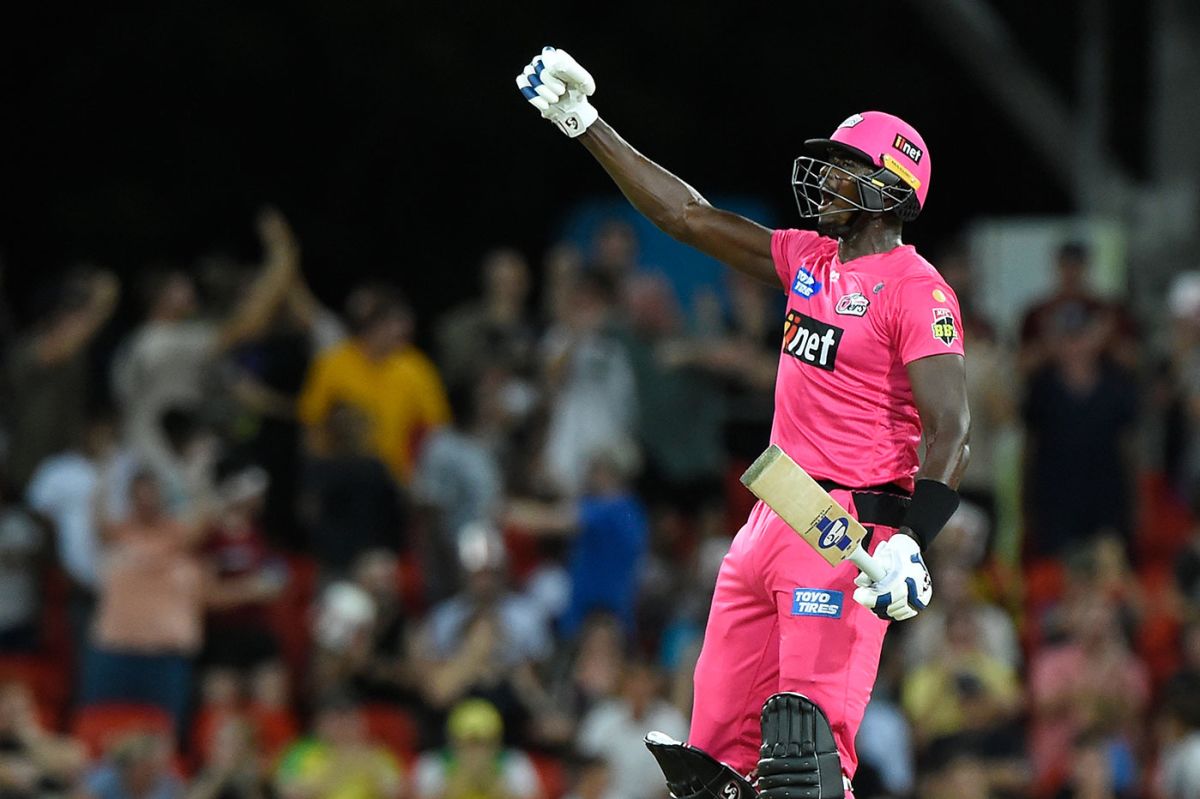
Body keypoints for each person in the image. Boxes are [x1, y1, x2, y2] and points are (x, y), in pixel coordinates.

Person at [516, 48, 970, 798]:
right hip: (771, 514)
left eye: (844, 167)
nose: (824, 179)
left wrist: (914, 545)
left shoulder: (918, 290)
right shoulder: (808, 260)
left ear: (891, 190)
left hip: (845, 527)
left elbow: (951, 429)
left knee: (809, 767)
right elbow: (685, 215)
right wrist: (584, 123)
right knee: (714, 772)